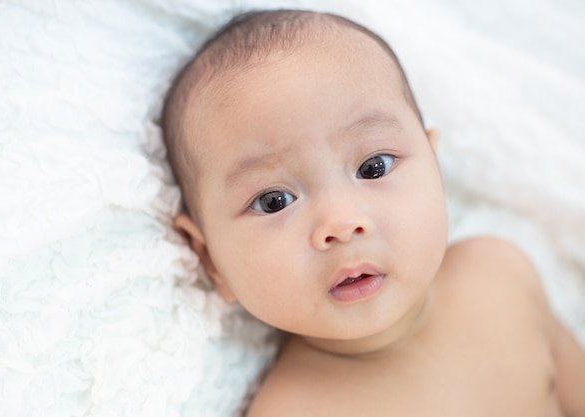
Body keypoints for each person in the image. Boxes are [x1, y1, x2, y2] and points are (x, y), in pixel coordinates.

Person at [162, 9, 585, 416]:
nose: (342, 224)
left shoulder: (501, 274)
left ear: (435, 172)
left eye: (374, 167)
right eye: (274, 200)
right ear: (210, 260)